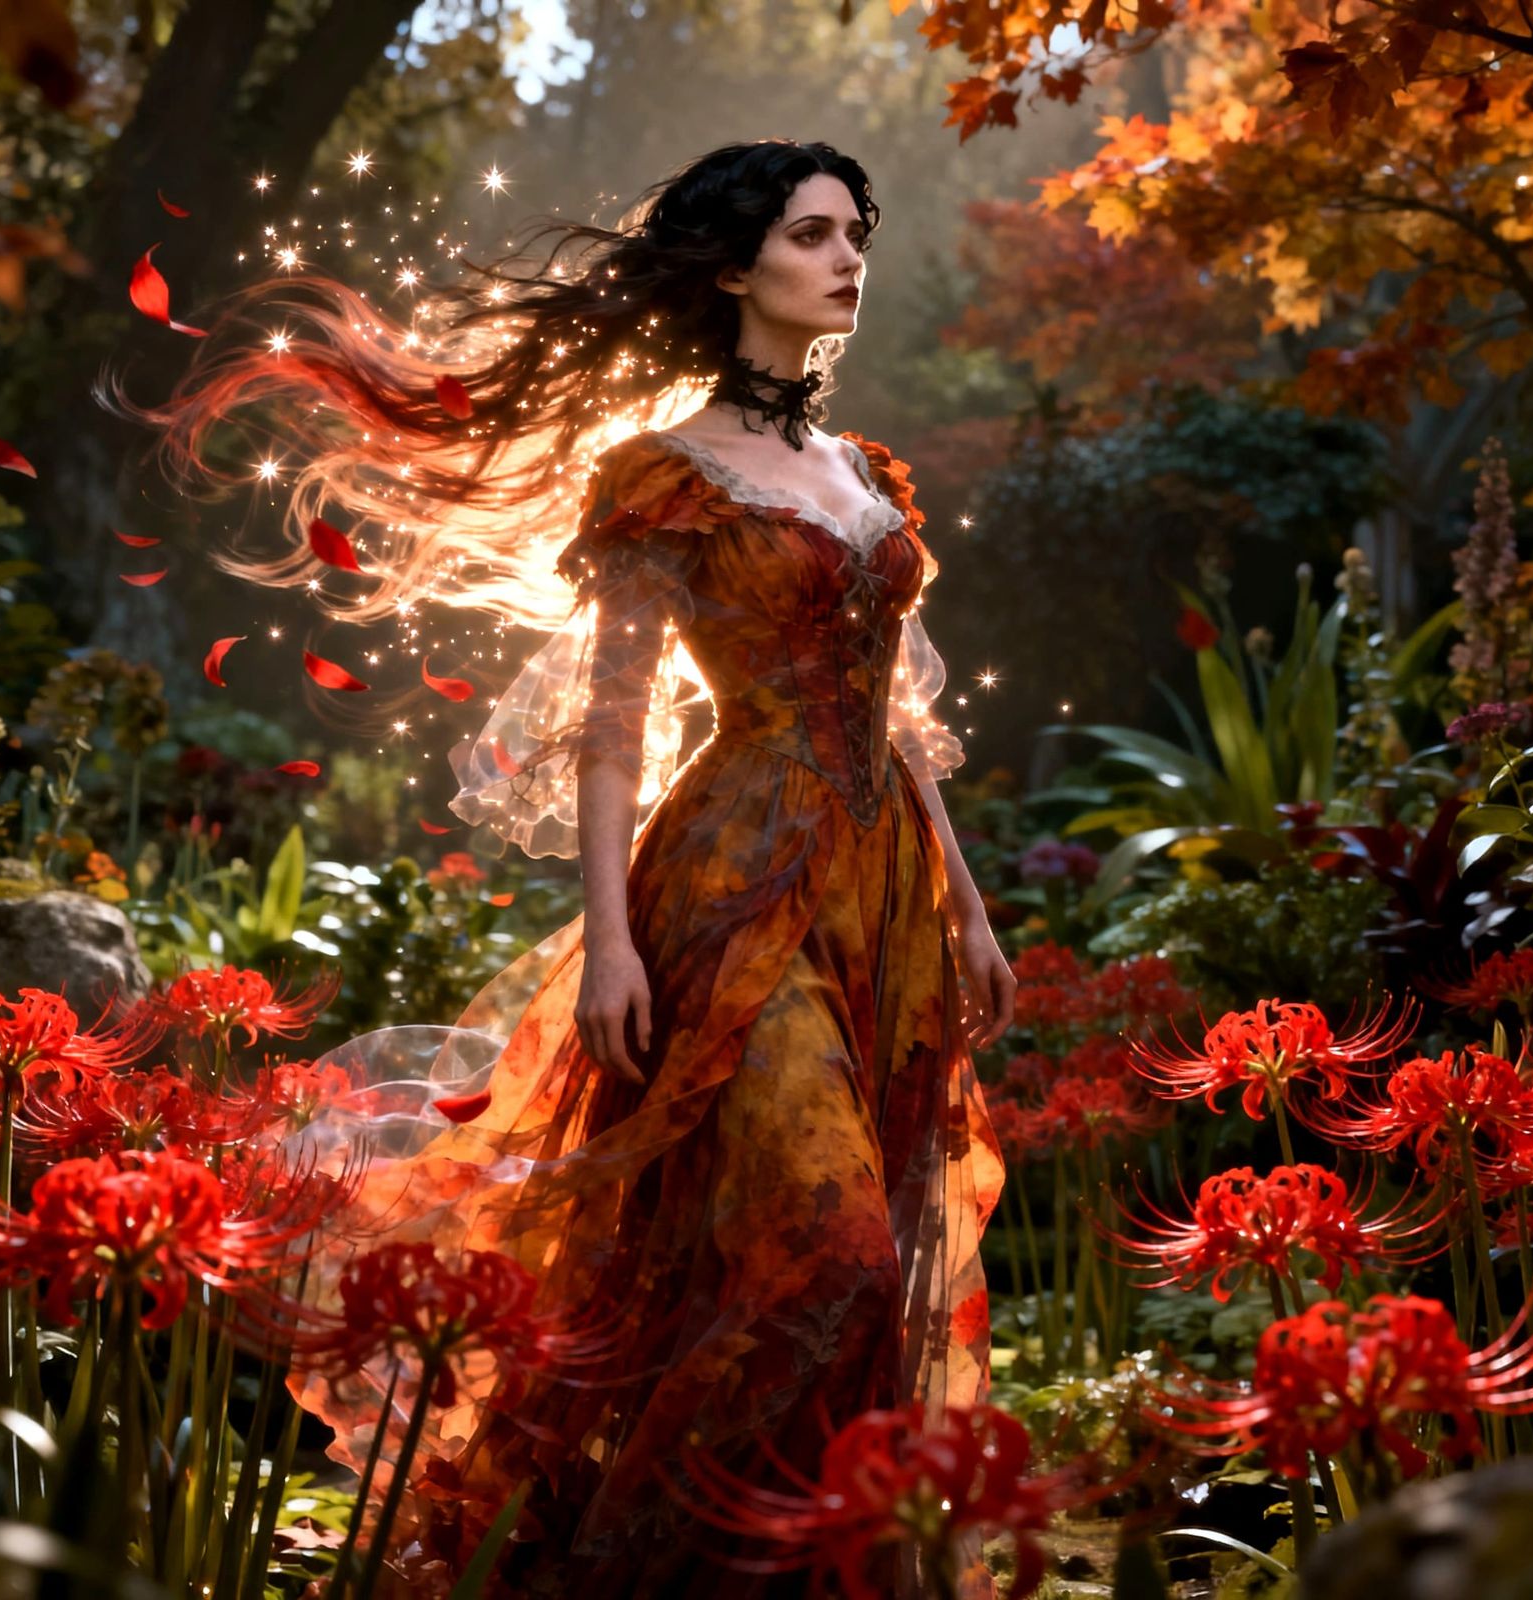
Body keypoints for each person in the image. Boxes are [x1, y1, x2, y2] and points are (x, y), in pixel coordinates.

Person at [122, 138, 1015, 1598]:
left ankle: (804, 1574)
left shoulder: (864, 476)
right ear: (734, 270)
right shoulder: (660, 475)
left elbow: (897, 725)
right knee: (829, 1243)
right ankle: (644, 1569)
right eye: (813, 234)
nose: (849, 258)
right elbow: (613, 728)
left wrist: (969, 909)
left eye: (857, 232)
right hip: (736, 879)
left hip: (888, 893)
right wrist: (609, 939)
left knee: (859, 1255)